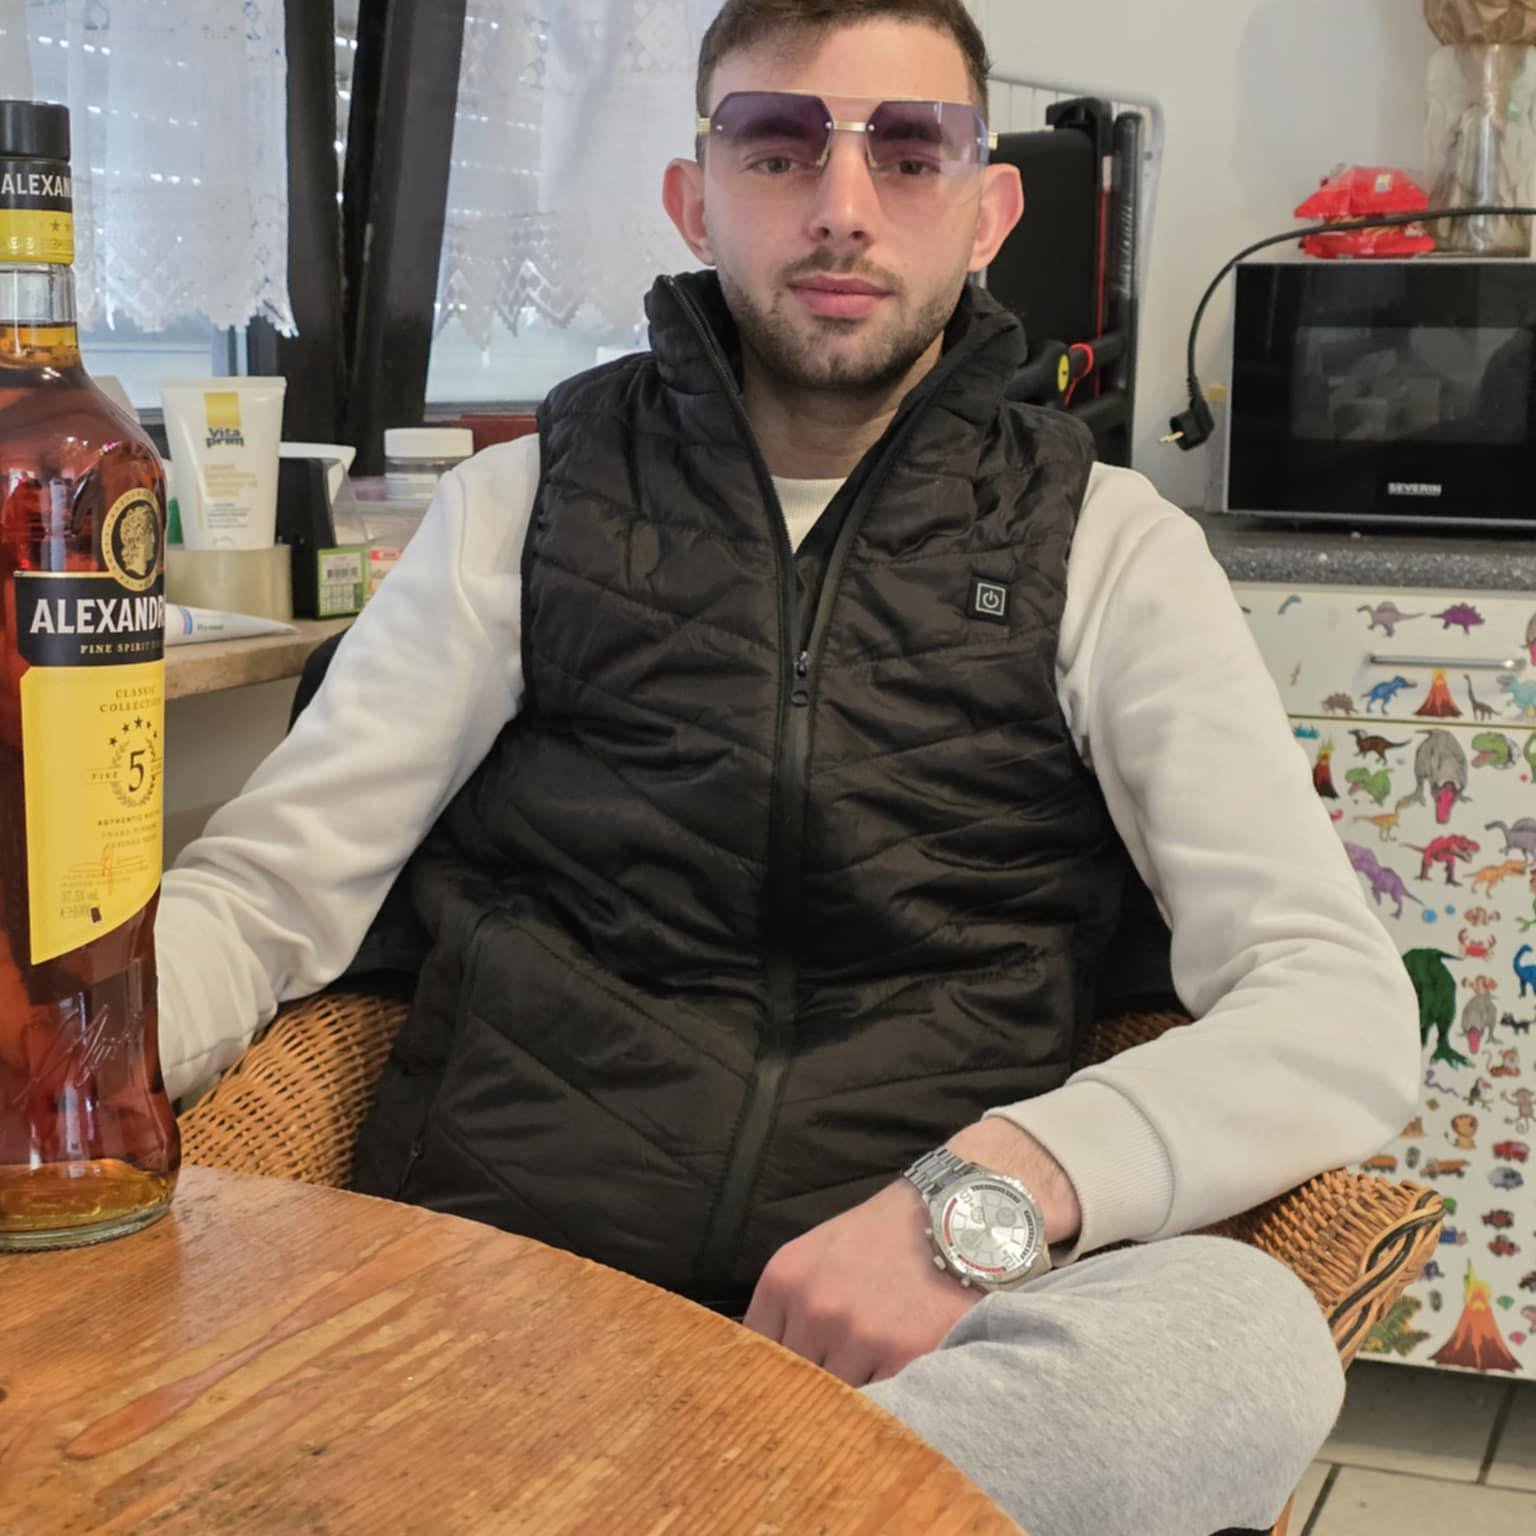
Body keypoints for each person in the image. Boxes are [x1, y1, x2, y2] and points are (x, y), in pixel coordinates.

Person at [155, 3, 1419, 1532]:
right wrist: (68, 1036)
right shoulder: (519, 506)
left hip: (906, 1373)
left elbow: (1335, 1003)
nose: (842, 206)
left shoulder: (1110, 549)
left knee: (1246, 1341)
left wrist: (975, 1209)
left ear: (988, 211)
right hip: (504, 1305)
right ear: (695, 198)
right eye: (776, 147)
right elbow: (264, 898)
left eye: (909, 151)